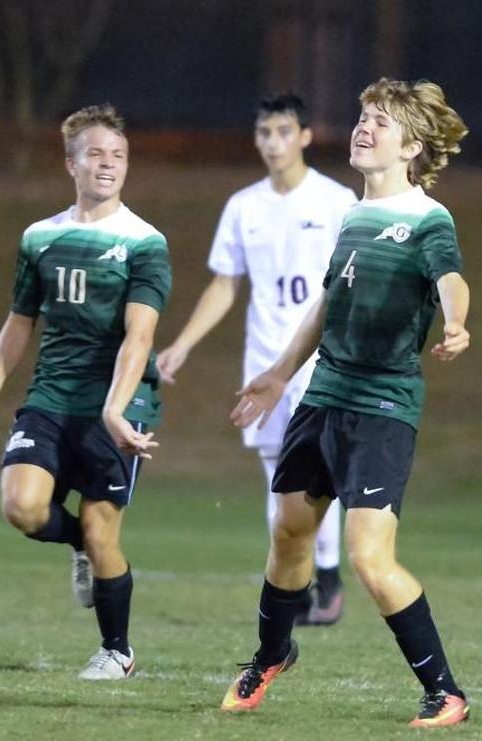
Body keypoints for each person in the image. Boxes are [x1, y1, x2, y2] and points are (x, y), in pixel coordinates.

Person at [219, 78, 472, 729]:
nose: (364, 128)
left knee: (368, 557)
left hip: (382, 406)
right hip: (322, 394)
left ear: (412, 145)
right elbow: (329, 303)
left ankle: (444, 691)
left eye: (381, 122)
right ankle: (273, 654)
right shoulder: (355, 216)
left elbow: (450, 278)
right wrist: (278, 375)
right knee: (289, 533)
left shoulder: (427, 217)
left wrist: (455, 323)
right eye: (363, 117)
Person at [0, 104, 171, 680]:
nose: (109, 165)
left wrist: (113, 407)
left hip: (119, 404)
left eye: (119, 155)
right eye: (97, 154)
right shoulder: (40, 237)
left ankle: (117, 652)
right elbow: (19, 323)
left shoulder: (144, 242)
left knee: (108, 533)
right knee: (22, 507)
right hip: (52, 397)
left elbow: (140, 333)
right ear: (71, 164)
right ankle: (77, 543)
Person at [156, 94, 356, 626]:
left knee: (320, 467)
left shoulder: (337, 201)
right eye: (265, 132)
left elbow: (353, 281)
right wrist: (183, 343)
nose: (273, 142)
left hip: (319, 360)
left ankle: (329, 577)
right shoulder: (244, 207)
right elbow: (225, 285)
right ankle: (292, 587)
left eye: (284, 131)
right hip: (264, 362)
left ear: (306, 136)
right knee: (276, 475)